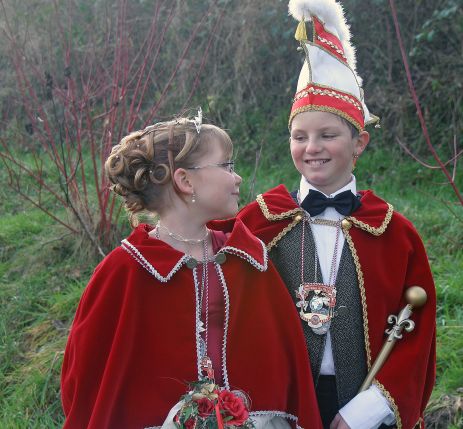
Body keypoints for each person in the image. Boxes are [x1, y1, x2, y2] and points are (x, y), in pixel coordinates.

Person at [237, 1, 436, 429]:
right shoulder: (260, 221)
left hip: (362, 404)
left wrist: (365, 413)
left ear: (359, 142)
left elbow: (416, 334)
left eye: (328, 135)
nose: (312, 148)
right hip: (279, 404)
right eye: (300, 136)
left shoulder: (395, 235)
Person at [60, 113, 323, 429]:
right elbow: (84, 375)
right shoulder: (126, 270)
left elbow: (285, 360)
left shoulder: (248, 258)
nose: (237, 177)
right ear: (185, 181)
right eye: (226, 166)